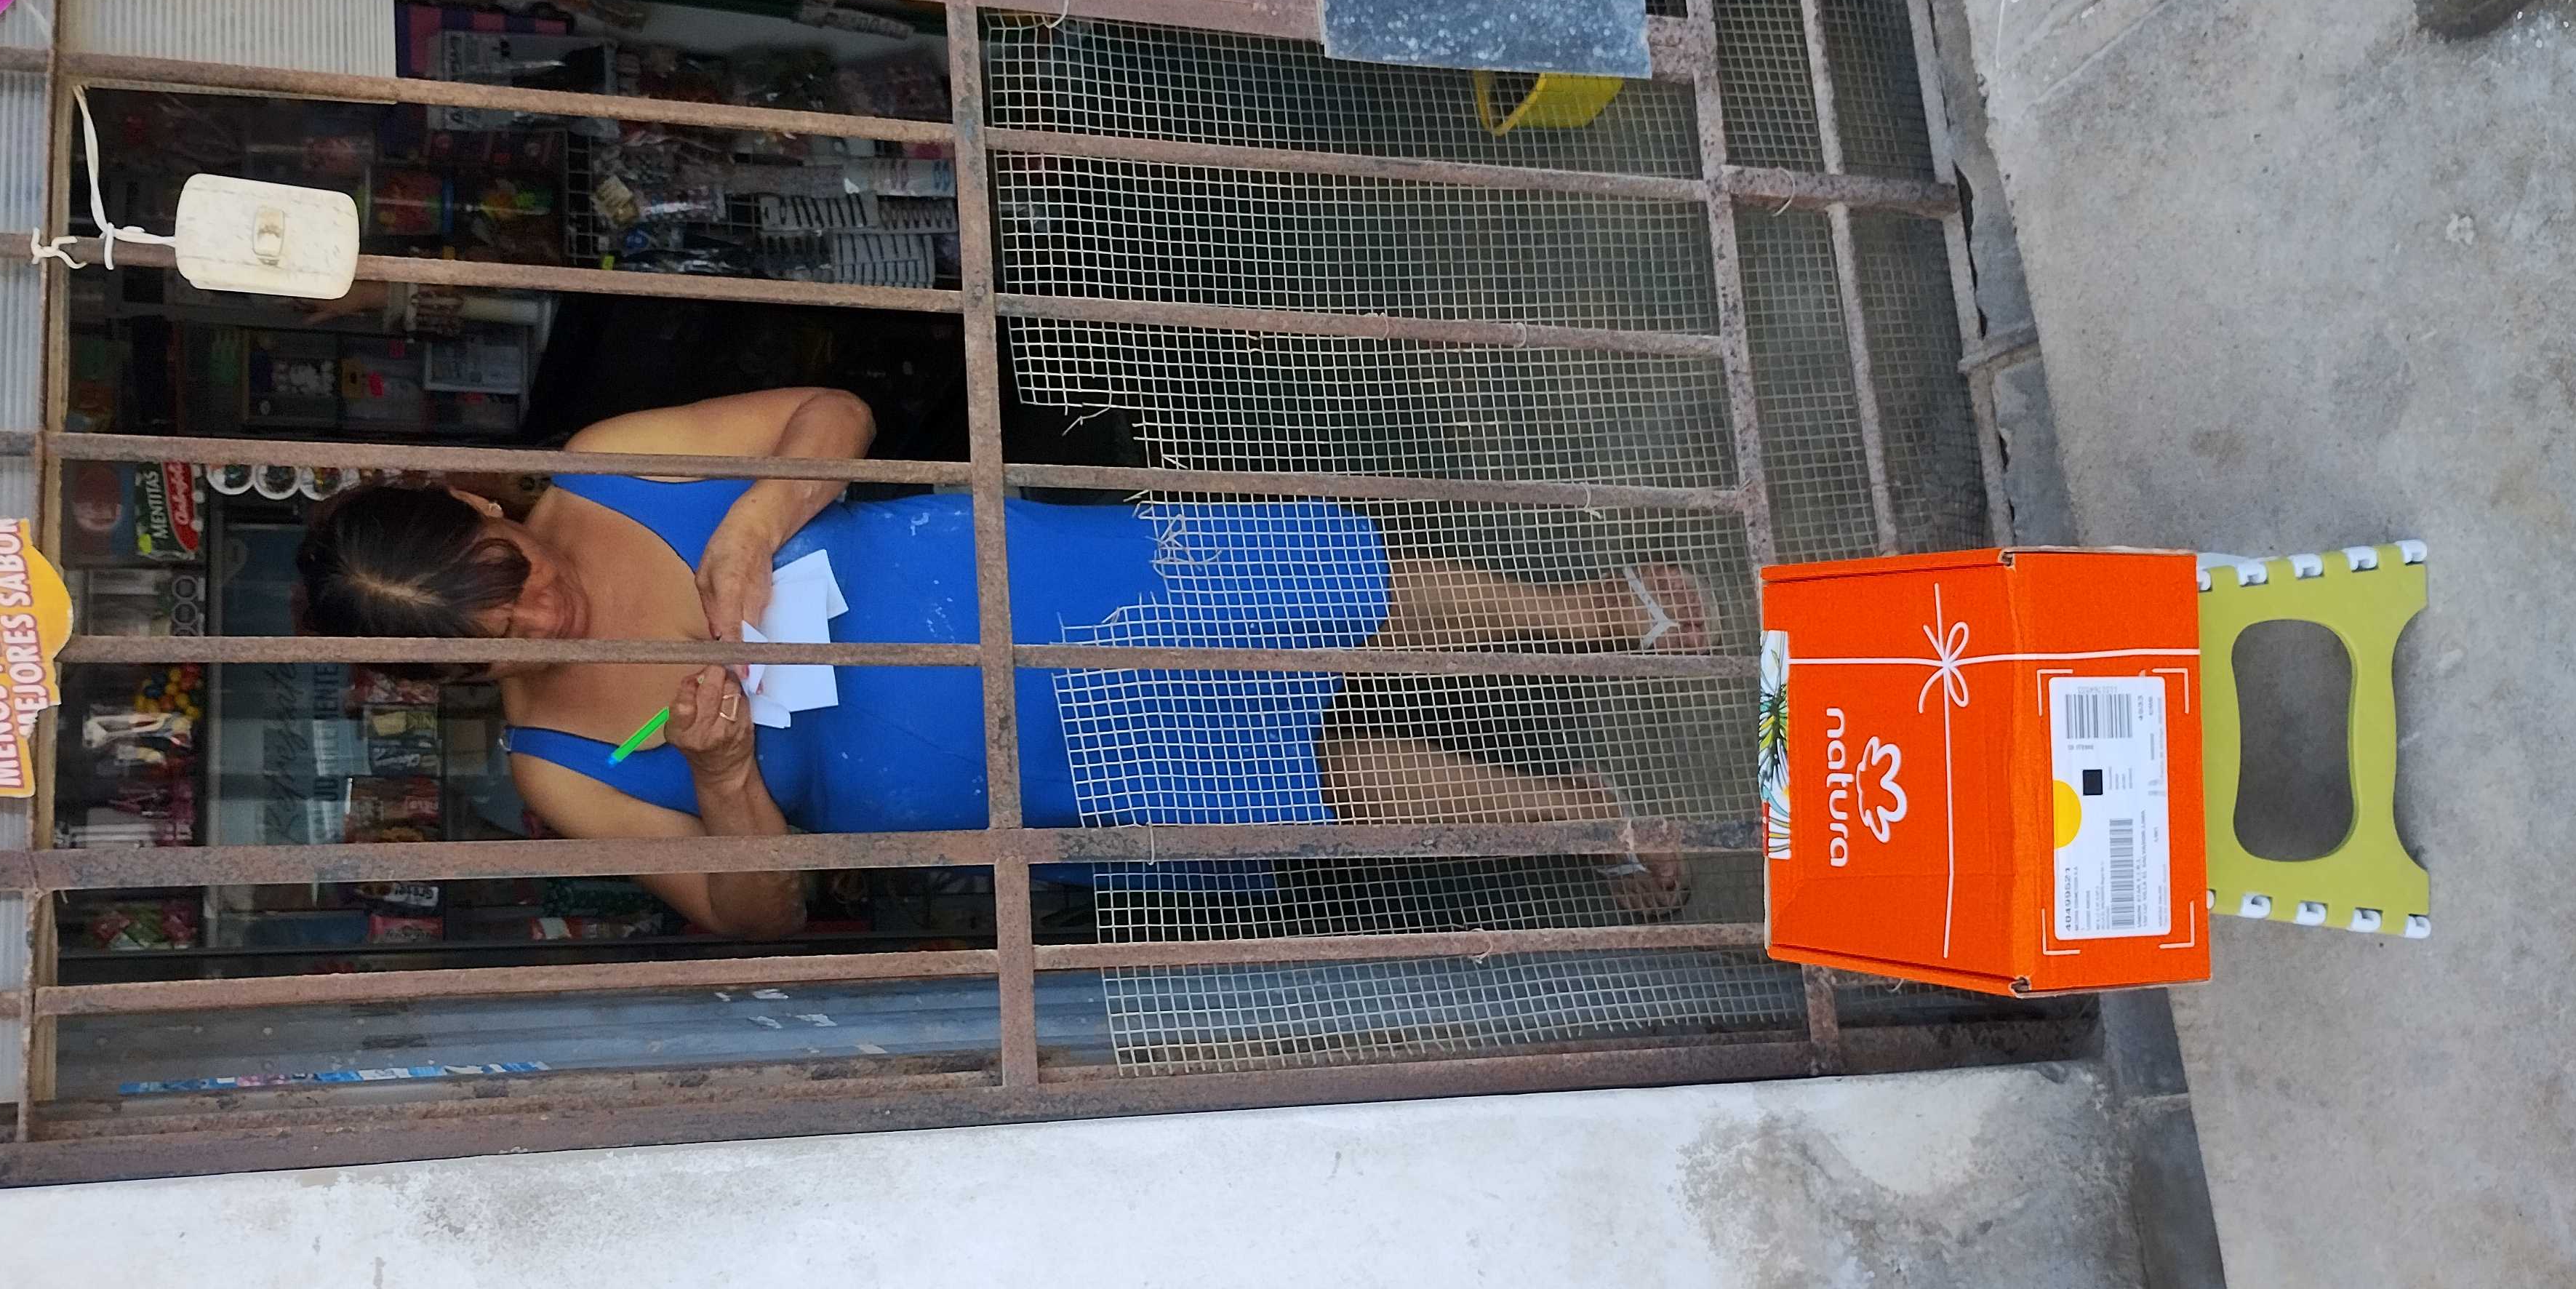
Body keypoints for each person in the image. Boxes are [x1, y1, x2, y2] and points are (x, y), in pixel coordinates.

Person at [298, 389, 1715, 938]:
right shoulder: (559, 774)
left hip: (1022, 576)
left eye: (514, 573)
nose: (543, 615)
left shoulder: (606, 464)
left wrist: (757, 516)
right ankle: (1583, 818)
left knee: (1319, 594)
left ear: (478, 504)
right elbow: (757, 920)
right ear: (452, 674)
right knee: (1306, 774)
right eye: (498, 639)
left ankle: (1592, 616)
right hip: (1021, 765)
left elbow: (834, 414)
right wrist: (725, 773)